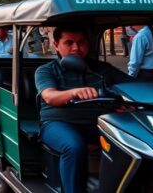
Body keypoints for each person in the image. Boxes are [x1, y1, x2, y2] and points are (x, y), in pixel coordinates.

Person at [35, 26, 131, 193]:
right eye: (69, 43)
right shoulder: (46, 70)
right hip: (58, 124)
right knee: (73, 146)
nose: (76, 48)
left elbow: (133, 85)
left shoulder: (102, 69)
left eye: (81, 43)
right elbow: (50, 96)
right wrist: (75, 92)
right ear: (56, 45)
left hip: (100, 123)